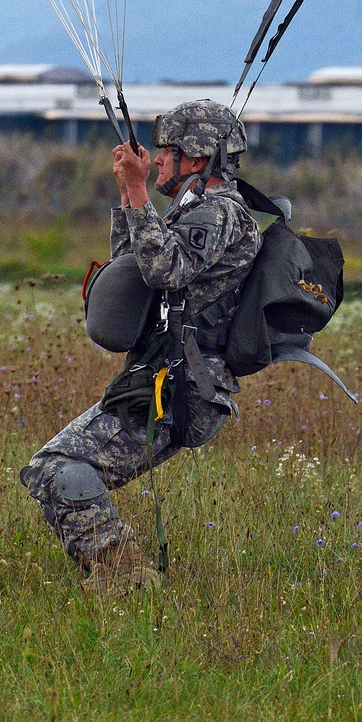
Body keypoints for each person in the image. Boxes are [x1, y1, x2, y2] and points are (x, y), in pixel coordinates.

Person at [19, 99, 261, 588]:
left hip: (181, 386)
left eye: (166, 152)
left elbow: (164, 268)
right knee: (56, 469)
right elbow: (130, 274)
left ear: (197, 159)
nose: (159, 161)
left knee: (56, 467)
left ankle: (125, 576)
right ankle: (119, 572)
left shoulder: (221, 215)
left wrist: (136, 190)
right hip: (158, 378)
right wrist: (131, 198)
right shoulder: (191, 211)